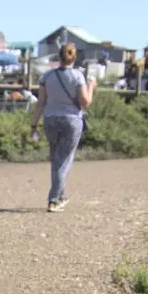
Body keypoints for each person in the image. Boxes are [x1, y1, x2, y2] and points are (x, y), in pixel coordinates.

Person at [29, 42, 95, 212]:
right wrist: (91, 87)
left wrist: (34, 124)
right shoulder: (78, 76)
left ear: (59, 56)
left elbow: (41, 103)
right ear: (74, 57)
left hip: (50, 119)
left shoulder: (47, 76)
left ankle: (61, 196)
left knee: (57, 160)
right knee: (65, 160)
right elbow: (85, 103)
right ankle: (54, 200)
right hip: (72, 120)